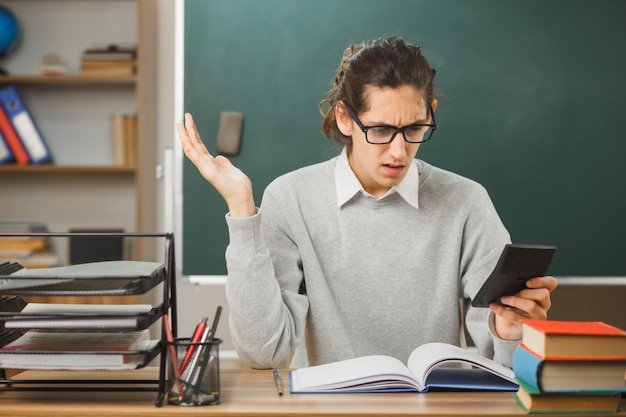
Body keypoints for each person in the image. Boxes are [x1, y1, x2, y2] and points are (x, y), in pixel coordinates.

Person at [177, 35, 557, 369]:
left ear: (430, 114)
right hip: (328, 410)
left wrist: (510, 332)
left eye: (413, 129)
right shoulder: (291, 199)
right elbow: (264, 353)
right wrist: (243, 211)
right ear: (345, 118)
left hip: (435, 408)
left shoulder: (466, 202)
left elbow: (503, 369)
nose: (398, 151)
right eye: (379, 129)